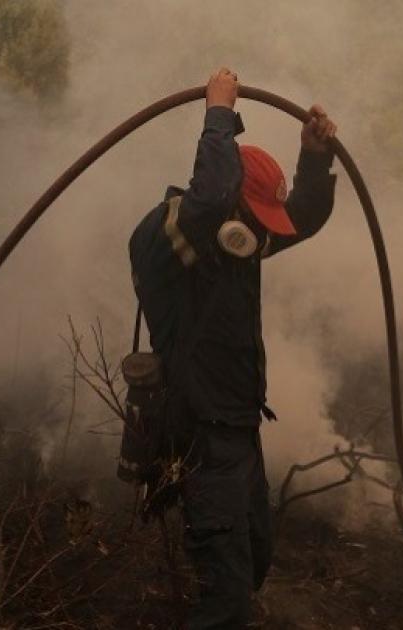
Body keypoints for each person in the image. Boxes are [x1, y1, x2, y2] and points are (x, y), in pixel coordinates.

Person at [128, 67, 337, 628]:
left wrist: (314, 159)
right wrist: (220, 113)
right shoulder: (169, 237)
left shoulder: (233, 243)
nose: (259, 231)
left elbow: (301, 219)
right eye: (252, 216)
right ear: (229, 207)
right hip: (199, 431)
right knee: (225, 602)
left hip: (238, 431)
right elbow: (214, 193)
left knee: (252, 562)